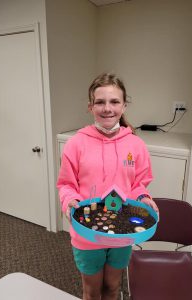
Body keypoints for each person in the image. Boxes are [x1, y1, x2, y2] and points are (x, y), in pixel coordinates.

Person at [57, 73, 159, 300]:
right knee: (92, 292)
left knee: (113, 288)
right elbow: (66, 185)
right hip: (88, 235)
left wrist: (143, 198)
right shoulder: (76, 144)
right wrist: (69, 200)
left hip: (122, 233)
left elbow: (138, 184)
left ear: (124, 106)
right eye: (100, 102)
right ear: (90, 106)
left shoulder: (136, 144)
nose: (107, 108)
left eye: (114, 101)